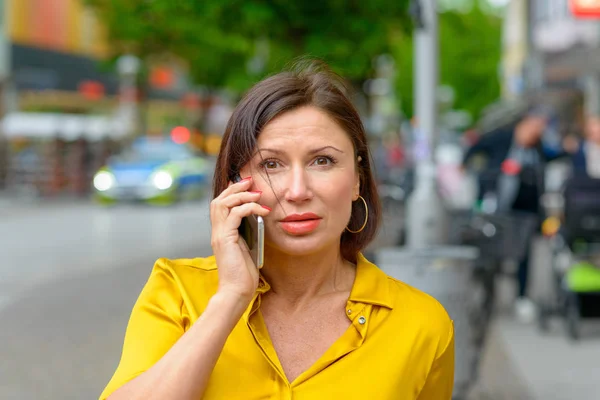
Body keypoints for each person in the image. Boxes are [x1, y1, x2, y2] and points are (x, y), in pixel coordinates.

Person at [99, 60, 454, 400]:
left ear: (357, 179)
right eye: (271, 164)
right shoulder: (179, 293)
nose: (297, 190)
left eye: (323, 161)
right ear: (235, 184)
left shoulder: (421, 323)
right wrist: (231, 298)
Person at [461, 107, 564, 322]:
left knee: (524, 254)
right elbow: (475, 148)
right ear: (524, 124)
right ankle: (489, 296)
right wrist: (467, 168)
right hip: (499, 207)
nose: (535, 135)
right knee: (492, 252)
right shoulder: (502, 138)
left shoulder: (537, 147)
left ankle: (521, 297)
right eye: (534, 129)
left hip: (526, 211)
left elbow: (549, 160)